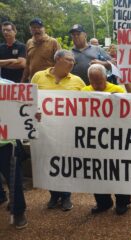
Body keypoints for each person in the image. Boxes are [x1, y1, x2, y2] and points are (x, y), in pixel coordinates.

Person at [31, 50, 85, 210]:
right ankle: (54, 195)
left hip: (67, 130)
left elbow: (86, 104)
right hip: (44, 129)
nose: (72, 63)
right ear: (58, 59)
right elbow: (29, 98)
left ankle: (66, 196)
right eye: (69, 59)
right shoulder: (38, 77)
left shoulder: (77, 81)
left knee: (65, 162)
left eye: (73, 61)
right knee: (48, 161)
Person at [81, 64, 131, 215]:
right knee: (96, 171)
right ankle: (103, 202)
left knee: (118, 171)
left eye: (99, 81)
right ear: (89, 79)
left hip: (115, 139)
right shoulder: (84, 92)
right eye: (93, 81)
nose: (96, 85)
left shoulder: (117, 90)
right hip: (94, 140)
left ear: (106, 77)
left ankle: (123, 201)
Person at [0, 78, 28, 229]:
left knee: (14, 179)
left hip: (6, 143)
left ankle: (18, 212)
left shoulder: (8, 86)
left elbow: (25, 109)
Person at [21, 18, 61, 82]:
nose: (36, 30)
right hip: (33, 80)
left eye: (39, 27)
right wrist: (22, 81)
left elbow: (60, 62)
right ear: (30, 30)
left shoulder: (53, 42)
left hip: (49, 81)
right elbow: (27, 64)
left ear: (44, 29)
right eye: (33, 28)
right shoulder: (29, 42)